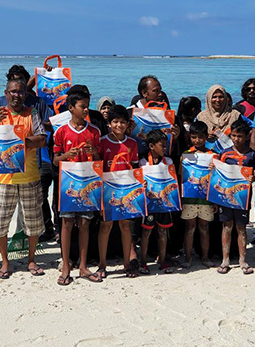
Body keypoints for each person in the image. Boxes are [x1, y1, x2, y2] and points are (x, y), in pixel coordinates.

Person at [0, 78, 50, 279]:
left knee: (33, 222)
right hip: (3, 179)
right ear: (5, 93)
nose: (16, 95)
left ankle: (31, 259)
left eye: (20, 92)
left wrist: (19, 139)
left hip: (29, 176)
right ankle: (5, 262)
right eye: (12, 92)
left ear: (25, 94)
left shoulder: (32, 114)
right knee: (0, 223)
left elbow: (42, 139)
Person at [52, 84, 101, 285]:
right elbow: (55, 160)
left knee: (85, 224)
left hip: (88, 181)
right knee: (66, 224)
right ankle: (65, 265)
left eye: (88, 105)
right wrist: (66, 155)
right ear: (71, 107)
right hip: (68, 183)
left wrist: (94, 152)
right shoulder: (61, 132)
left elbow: (99, 161)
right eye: (82, 106)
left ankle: (82, 266)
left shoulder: (94, 132)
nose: (86, 109)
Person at [98, 104, 142, 277]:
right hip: (107, 190)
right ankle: (102, 264)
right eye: (115, 122)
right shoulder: (102, 142)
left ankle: (126, 263)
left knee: (125, 226)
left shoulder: (132, 143)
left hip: (126, 190)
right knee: (105, 226)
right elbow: (97, 167)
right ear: (109, 123)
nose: (119, 125)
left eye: (122, 122)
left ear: (127, 124)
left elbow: (135, 168)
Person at [216, 122, 255, 274]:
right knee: (227, 226)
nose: (236, 139)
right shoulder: (224, 153)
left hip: (243, 198)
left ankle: (242, 260)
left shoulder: (251, 155)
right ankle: (225, 259)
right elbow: (217, 175)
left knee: (241, 228)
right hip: (225, 197)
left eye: (240, 136)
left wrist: (254, 177)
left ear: (247, 136)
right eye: (233, 135)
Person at [139, 129, 177, 273]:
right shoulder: (143, 163)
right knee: (146, 233)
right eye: (162, 145)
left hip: (164, 204)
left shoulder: (169, 162)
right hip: (149, 204)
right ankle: (143, 262)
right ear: (151, 146)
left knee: (163, 232)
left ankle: (162, 260)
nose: (165, 148)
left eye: (165, 145)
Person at [180, 121, 214, 268]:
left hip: (206, 199)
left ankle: (205, 257)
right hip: (189, 198)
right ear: (190, 137)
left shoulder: (212, 155)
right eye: (194, 137)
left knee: (204, 228)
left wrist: (215, 168)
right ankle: (187, 258)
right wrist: (181, 163)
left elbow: (216, 179)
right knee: (189, 228)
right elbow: (182, 177)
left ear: (206, 137)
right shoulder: (186, 155)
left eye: (200, 137)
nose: (197, 140)